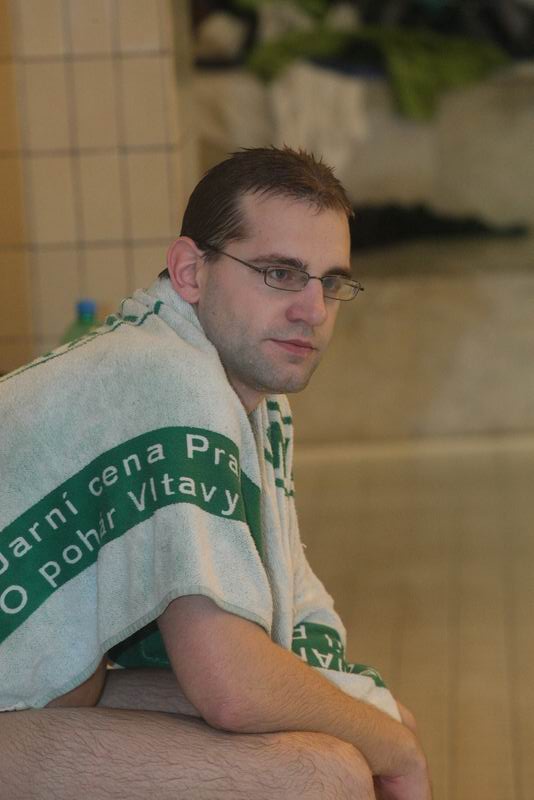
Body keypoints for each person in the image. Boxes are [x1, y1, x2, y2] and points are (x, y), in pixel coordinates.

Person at [0, 147, 432, 799]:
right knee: (324, 774)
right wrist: (398, 752)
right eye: (280, 273)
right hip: (24, 709)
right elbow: (229, 684)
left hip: (40, 698)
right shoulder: (171, 380)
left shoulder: (242, 393)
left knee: (375, 726)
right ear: (190, 270)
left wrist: (383, 727)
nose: (314, 310)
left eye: (330, 283)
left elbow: (287, 609)